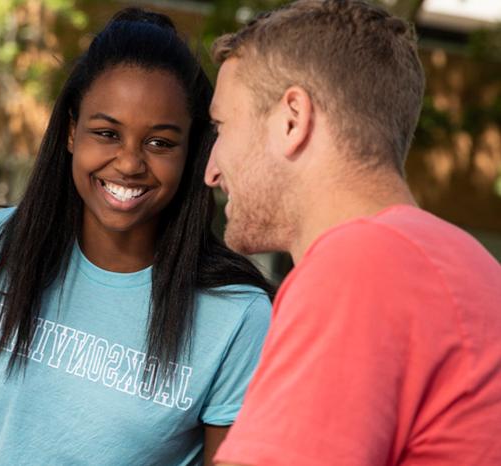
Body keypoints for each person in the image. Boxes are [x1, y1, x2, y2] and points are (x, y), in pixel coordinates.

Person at [0, 8, 274, 466]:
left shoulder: (236, 312)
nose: (130, 163)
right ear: (73, 132)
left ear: (191, 151)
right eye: (107, 133)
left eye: (160, 143)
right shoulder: (3, 245)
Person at [203, 1, 501, 465]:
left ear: (292, 119)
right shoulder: (468, 263)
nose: (211, 171)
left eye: (221, 127)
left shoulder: (360, 268)